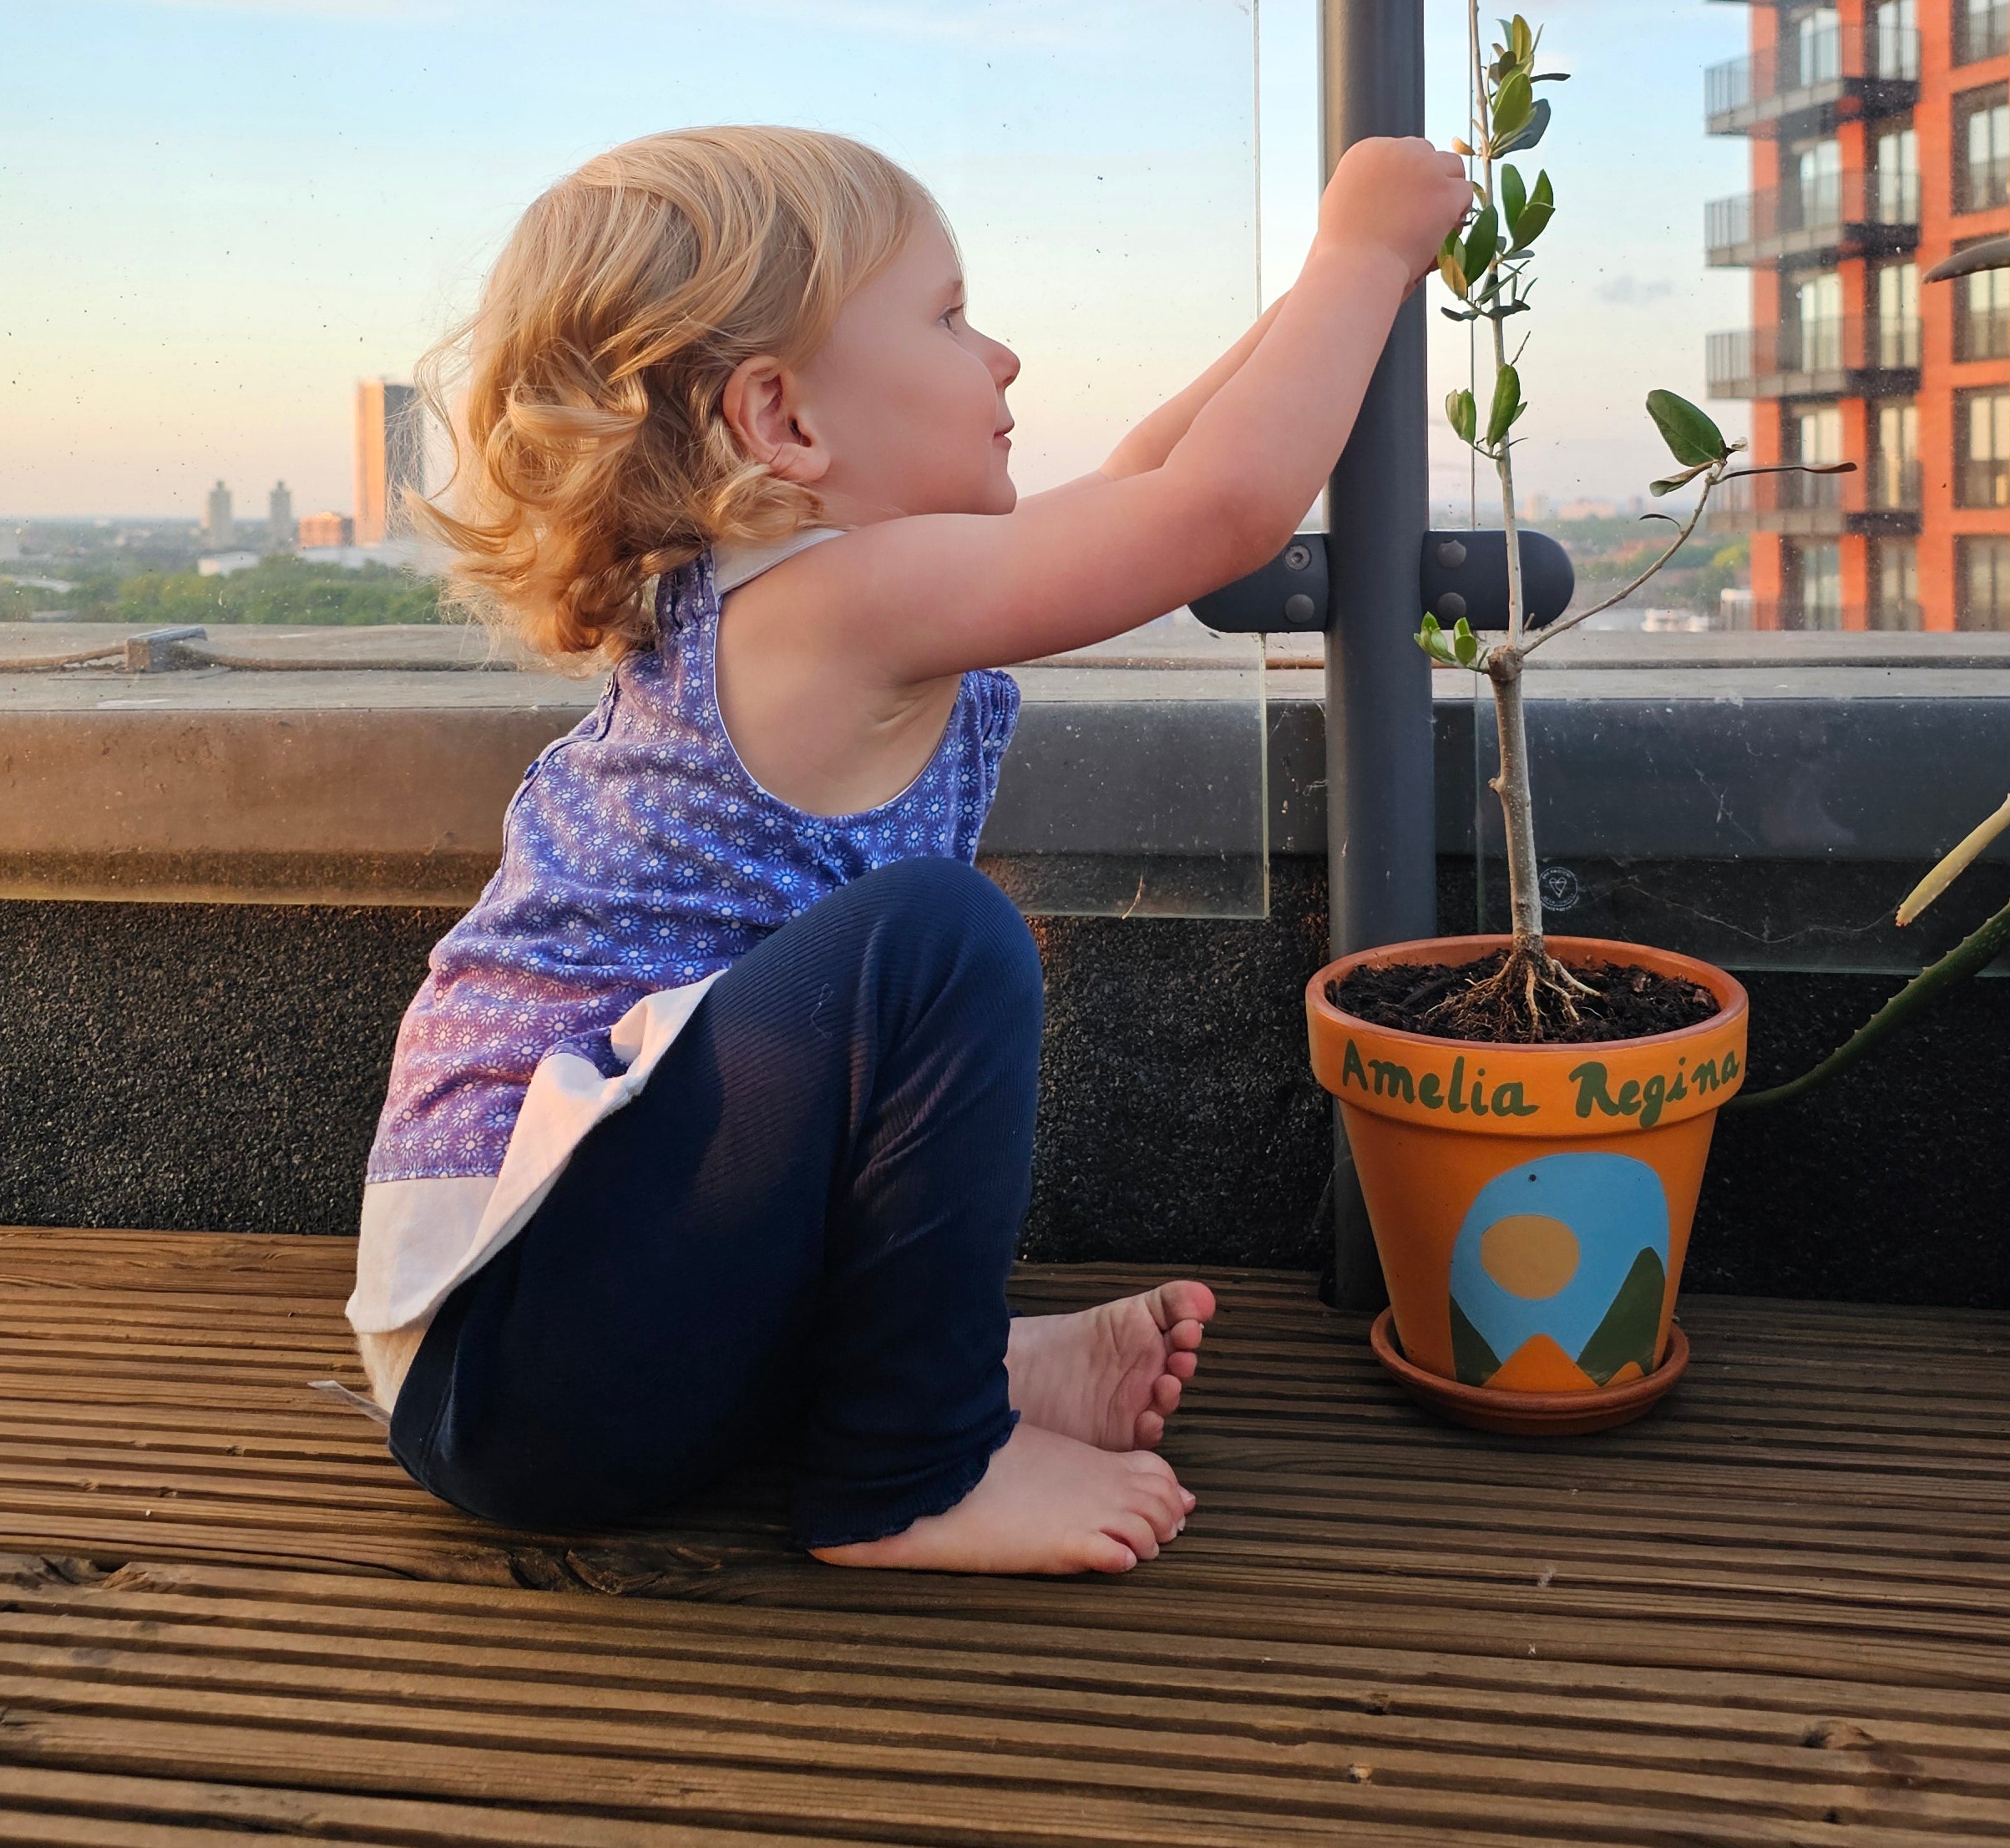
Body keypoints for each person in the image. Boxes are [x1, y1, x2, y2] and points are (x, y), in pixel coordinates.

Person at [347, 121, 1470, 1573]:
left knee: (909, 963)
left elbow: (1143, 477)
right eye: (948, 317)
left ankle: (952, 1368)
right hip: (520, 1366)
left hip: (600, 1329)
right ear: (784, 422)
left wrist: (1334, 290)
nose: (1000, 358)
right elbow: (1212, 514)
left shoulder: (798, 598)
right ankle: (912, 1464)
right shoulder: (824, 610)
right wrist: (1366, 251)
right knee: (938, 940)